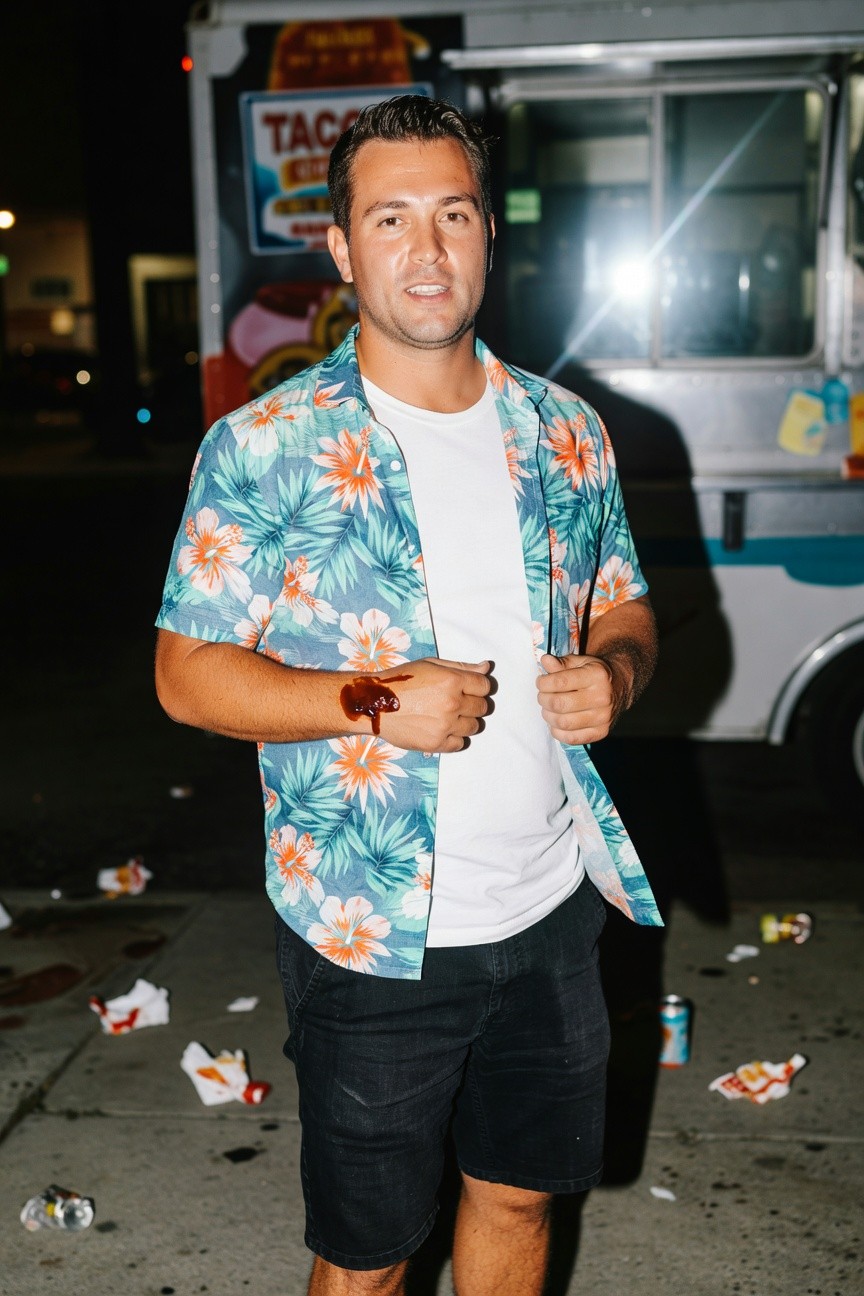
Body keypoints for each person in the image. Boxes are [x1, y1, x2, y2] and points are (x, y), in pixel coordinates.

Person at [155, 94, 662, 1296]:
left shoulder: (567, 432)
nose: (426, 251)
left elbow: (630, 605)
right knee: (370, 1262)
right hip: (372, 935)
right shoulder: (267, 444)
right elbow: (185, 678)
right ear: (342, 249)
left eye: (452, 215)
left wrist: (620, 671)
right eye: (390, 219)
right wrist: (370, 701)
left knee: (521, 1201)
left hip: (551, 914)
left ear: (489, 232)